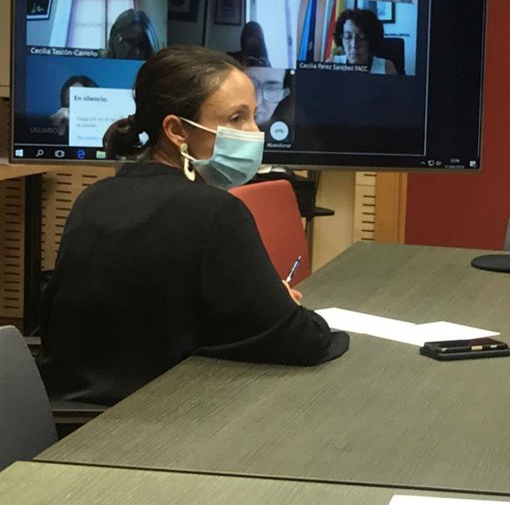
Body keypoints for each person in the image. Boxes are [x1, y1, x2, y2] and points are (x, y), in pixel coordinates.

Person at [38, 45, 349, 406]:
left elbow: (154, 320)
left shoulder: (93, 198)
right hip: (164, 421)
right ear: (176, 130)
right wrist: (280, 305)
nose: (254, 133)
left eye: (253, 117)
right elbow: (303, 340)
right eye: (236, 119)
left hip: (72, 421)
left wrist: (257, 300)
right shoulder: (216, 211)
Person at [331, 8, 397, 75]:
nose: (354, 45)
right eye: (348, 37)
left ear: (371, 41)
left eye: (362, 38)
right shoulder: (332, 64)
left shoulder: (386, 68)